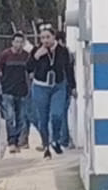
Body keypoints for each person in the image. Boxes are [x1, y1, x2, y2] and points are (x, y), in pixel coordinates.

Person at [26, 27, 75, 159]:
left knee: (57, 114)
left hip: (58, 86)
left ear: (54, 37)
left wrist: (73, 87)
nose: (45, 40)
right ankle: (46, 146)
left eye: (48, 37)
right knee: (43, 118)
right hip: (41, 87)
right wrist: (36, 57)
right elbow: (28, 67)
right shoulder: (36, 50)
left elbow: (68, 69)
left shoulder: (63, 51)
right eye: (42, 38)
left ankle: (56, 139)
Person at [0, 33, 31, 154]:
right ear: (12, 42)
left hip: (21, 91)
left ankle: (17, 141)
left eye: (21, 42)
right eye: (16, 42)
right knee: (10, 117)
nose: (18, 44)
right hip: (8, 91)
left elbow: (30, 72)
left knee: (21, 118)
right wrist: (0, 84)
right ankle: (11, 141)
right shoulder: (5, 55)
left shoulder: (26, 56)